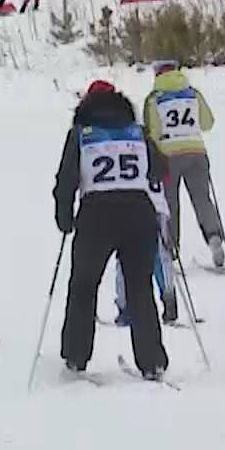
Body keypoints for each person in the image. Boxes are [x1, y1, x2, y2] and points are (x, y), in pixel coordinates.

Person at [52, 80, 170, 380]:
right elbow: (160, 169)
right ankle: (152, 360)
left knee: (83, 286)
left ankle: (76, 355)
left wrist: (64, 217)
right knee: (140, 288)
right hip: (138, 212)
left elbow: (66, 180)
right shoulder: (138, 133)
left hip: (97, 215)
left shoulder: (81, 135)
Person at [142, 60, 225, 270]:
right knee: (202, 199)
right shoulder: (192, 93)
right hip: (196, 152)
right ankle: (214, 236)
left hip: (168, 156)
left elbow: (151, 133)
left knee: (170, 202)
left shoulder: (155, 98)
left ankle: (171, 250)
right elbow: (207, 123)